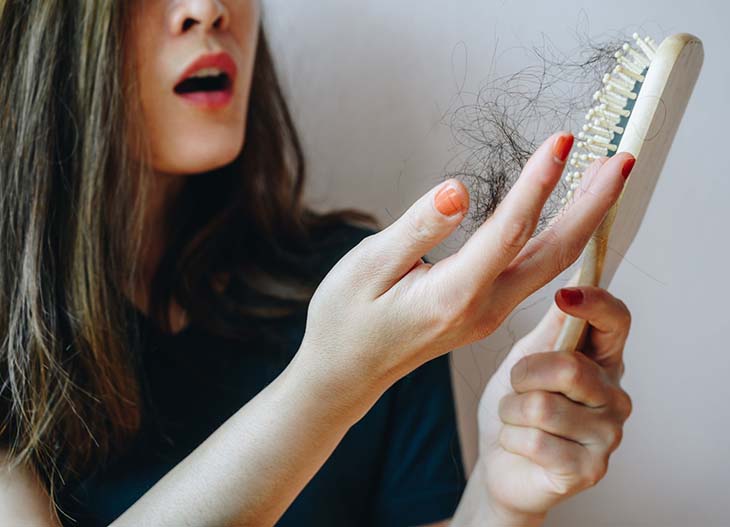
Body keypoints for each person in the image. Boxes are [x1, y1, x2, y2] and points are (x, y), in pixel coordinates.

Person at [0, 1, 634, 526]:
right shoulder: (13, 334)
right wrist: (334, 380)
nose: (208, 11)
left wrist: (497, 499)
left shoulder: (368, 287)